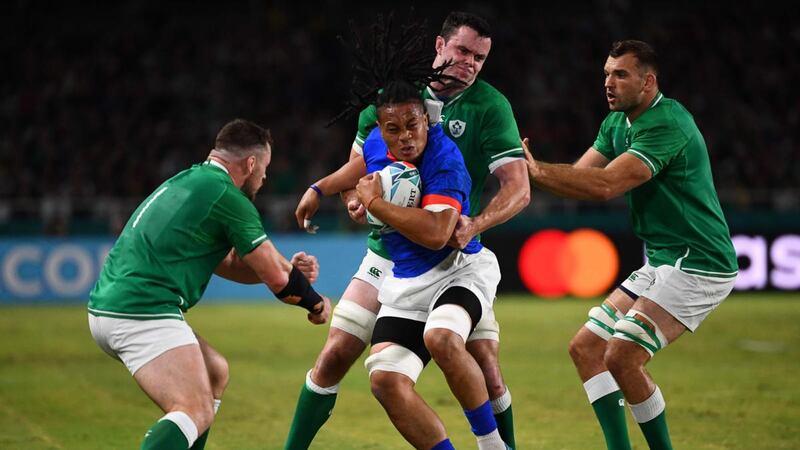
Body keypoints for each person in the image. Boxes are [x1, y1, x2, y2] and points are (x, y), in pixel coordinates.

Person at [286, 11, 529, 449]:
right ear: (439, 46)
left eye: (479, 57)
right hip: (390, 256)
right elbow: (361, 170)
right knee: (339, 355)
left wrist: (476, 222)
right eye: (462, 50)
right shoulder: (394, 99)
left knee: (486, 369)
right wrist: (344, 197)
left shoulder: (489, 108)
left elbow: (519, 187)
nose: (469, 63)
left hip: (453, 250)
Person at [522, 40, 738, 450]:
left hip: (700, 261)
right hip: (663, 261)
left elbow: (605, 185)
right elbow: (578, 178)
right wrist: (530, 172)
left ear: (648, 81)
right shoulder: (616, 123)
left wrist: (536, 171)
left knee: (621, 354)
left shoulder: (667, 122)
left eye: (620, 74)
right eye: (606, 73)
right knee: (586, 347)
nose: (608, 82)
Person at [87, 119, 332, 450]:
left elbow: (230, 264)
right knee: (193, 408)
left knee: (214, 371)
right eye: (265, 167)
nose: (265, 176)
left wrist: (287, 268)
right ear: (250, 163)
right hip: (141, 310)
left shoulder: (190, 182)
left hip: (112, 306)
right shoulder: (227, 197)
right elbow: (276, 279)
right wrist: (316, 304)